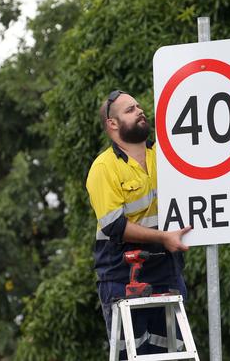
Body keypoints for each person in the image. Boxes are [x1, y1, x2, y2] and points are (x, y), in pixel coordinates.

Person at [86, 90, 191, 355]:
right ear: (113, 123)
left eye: (139, 106)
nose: (140, 111)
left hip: (166, 269)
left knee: (171, 354)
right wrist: (164, 238)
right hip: (122, 275)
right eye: (130, 110)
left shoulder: (164, 156)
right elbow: (114, 226)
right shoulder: (104, 168)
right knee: (132, 354)